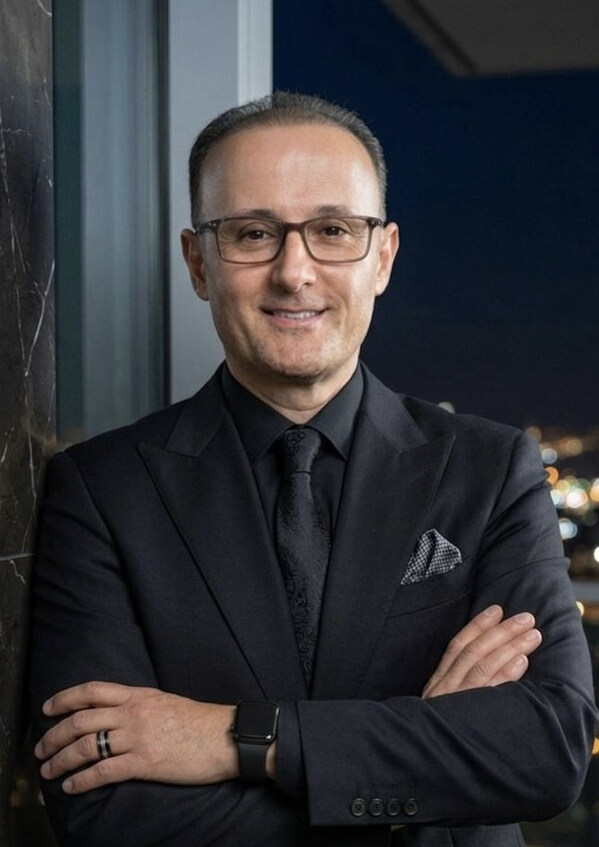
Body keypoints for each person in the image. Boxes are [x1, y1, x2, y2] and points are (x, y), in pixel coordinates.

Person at [31, 92, 597, 847]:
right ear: (198, 262)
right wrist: (422, 774)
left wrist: (234, 739)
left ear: (382, 257)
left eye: (332, 230)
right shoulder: (100, 491)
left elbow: (545, 751)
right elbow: (106, 812)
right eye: (253, 233)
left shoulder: (491, 469)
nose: (294, 272)